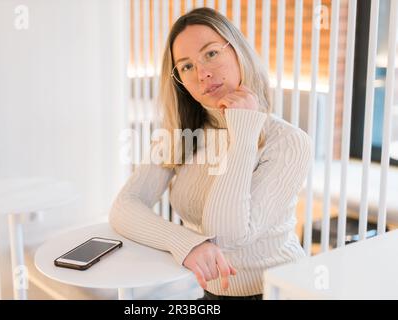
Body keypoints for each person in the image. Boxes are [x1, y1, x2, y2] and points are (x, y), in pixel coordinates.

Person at [109, 7, 312, 300]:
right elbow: (124, 206)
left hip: (281, 291)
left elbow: (225, 237)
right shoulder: (181, 134)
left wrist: (242, 133)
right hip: (213, 292)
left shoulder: (289, 142)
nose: (203, 73)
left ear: (238, 51)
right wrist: (186, 244)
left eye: (211, 54)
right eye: (187, 66)